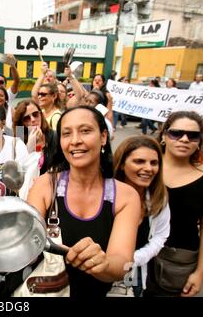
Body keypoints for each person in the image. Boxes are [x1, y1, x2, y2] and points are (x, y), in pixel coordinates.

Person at [27, 105, 141, 298]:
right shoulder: (45, 185)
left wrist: (104, 264)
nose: (75, 141)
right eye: (66, 133)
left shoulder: (126, 196)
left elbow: (122, 262)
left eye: (85, 131)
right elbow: (28, 243)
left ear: (103, 137)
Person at [145, 111, 203, 297]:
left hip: (177, 264)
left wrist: (200, 273)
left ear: (200, 141)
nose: (184, 139)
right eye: (176, 133)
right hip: (136, 256)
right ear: (164, 135)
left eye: (193, 135)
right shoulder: (144, 167)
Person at [113, 136, 170, 297]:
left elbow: (160, 236)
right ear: (122, 164)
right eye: (139, 161)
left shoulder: (158, 198)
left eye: (154, 163)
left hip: (133, 272)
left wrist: (132, 259)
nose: (148, 168)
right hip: (100, 272)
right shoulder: (105, 195)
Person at [12, 99, 57, 174]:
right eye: (26, 118)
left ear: (41, 114)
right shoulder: (18, 143)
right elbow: (19, 173)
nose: (33, 119)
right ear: (21, 123)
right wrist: (30, 147)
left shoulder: (55, 136)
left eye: (35, 114)